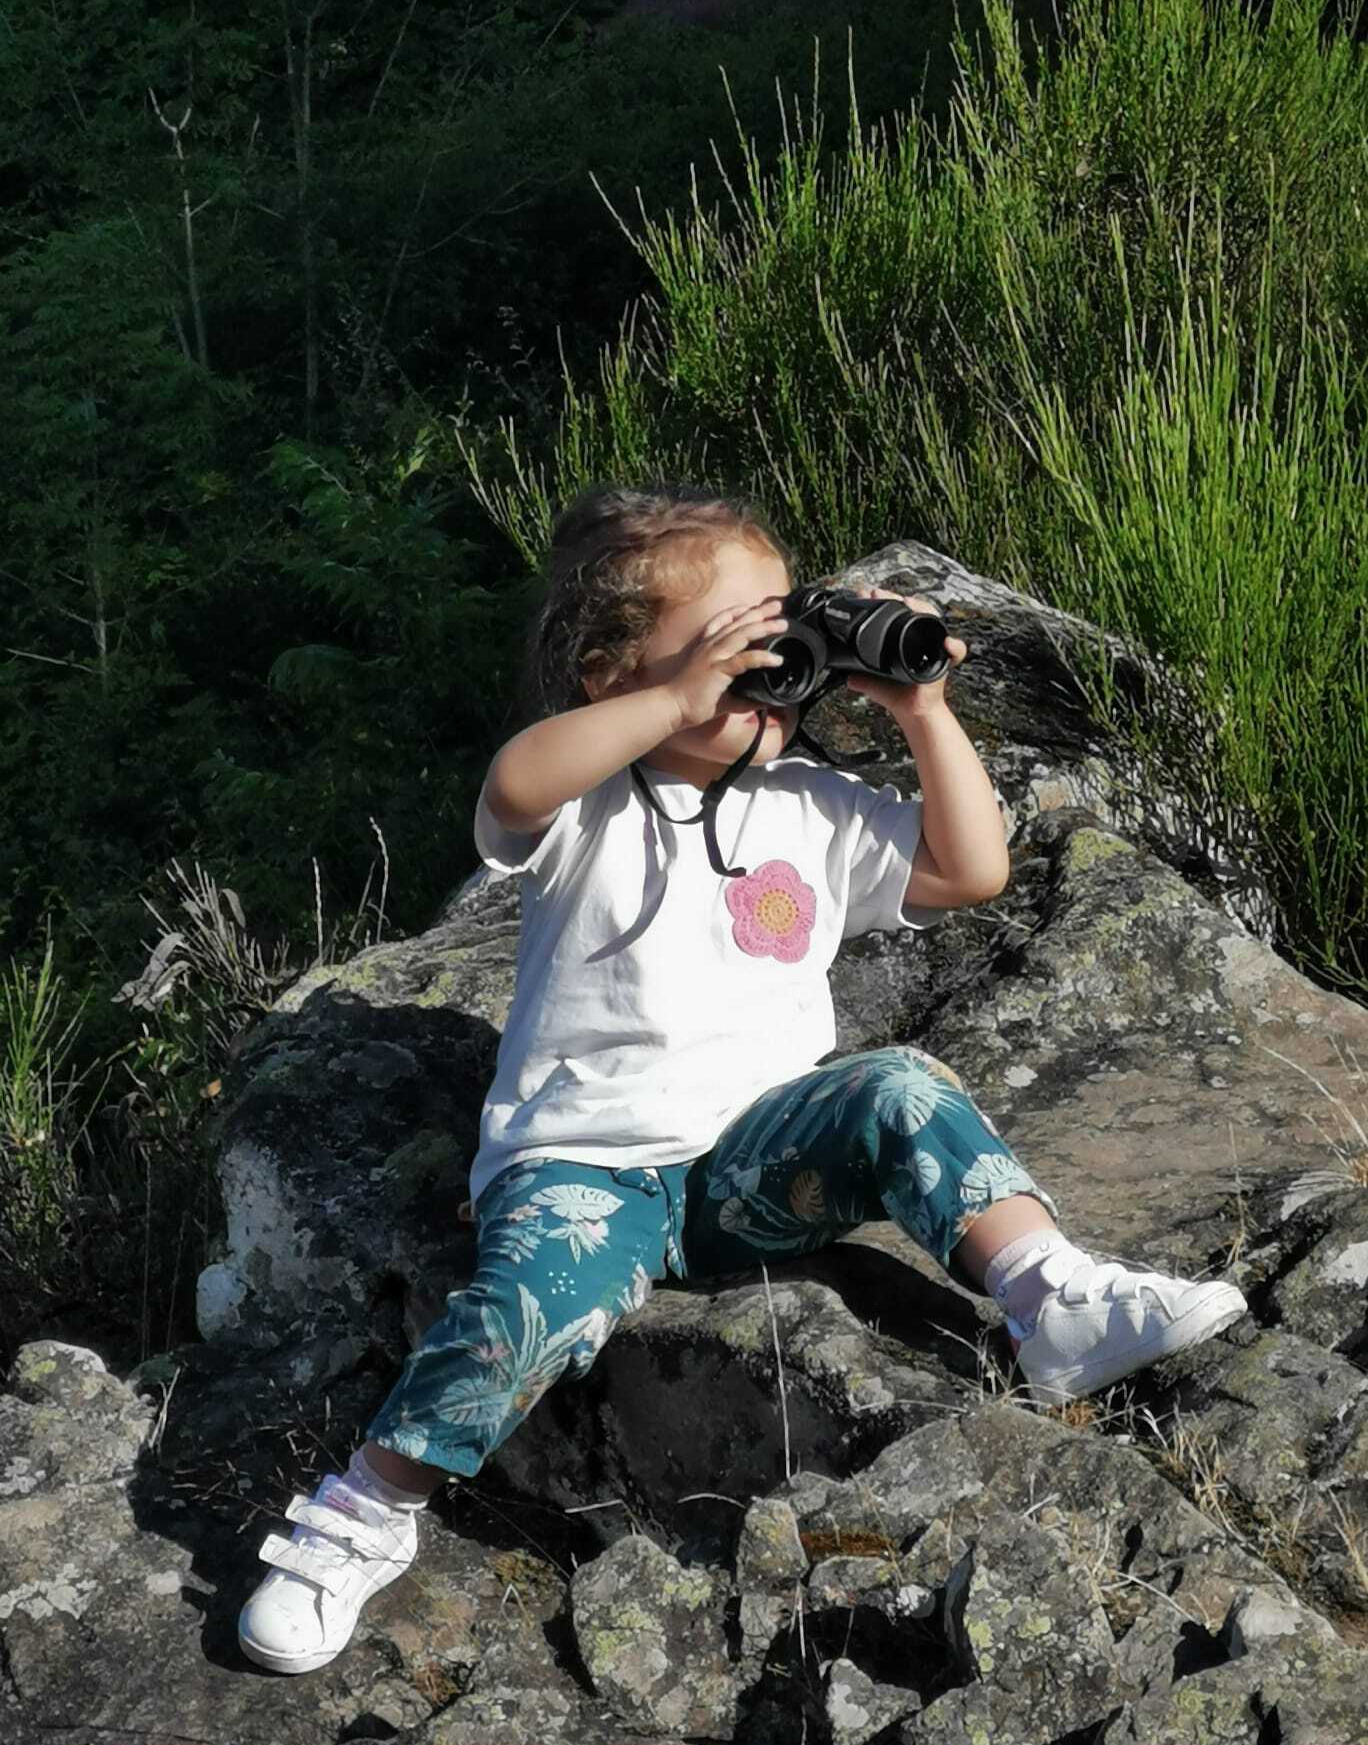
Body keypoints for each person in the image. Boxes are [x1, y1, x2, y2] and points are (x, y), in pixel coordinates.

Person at [237, 484, 1247, 1675]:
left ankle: (1049, 1297)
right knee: (529, 1311)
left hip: (747, 1168)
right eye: (734, 644)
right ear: (615, 672)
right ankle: (366, 1506)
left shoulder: (809, 809)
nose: (770, 665)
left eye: (784, 633)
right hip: (587, 1167)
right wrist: (669, 701)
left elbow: (971, 869)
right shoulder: (592, 807)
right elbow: (514, 784)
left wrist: (919, 706)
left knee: (901, 1087)